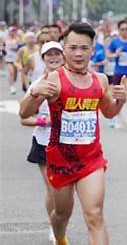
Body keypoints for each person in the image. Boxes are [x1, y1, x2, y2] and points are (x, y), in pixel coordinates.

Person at [18, 22, 127, 245]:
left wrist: (121, 102)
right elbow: (23, 112)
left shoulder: (100, 80)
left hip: (91, 159)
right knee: (61, 214)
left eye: (84, 48)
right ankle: (59, 237)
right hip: (59, 160)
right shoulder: (53, 79)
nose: (78, 53)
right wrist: (33, 93)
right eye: (73, 47)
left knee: (94, 215)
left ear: (93, 49)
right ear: (64, 48)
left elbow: (108, 112)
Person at [19, 41, 65, 243]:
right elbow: (23, 116)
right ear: (43, 58)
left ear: (64, 56)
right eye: (49, 55)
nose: (53, 58)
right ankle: (54, 228)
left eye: (57, 54)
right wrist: (43, 120)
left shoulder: (75, 80)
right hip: (44, 142)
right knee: (52, 188)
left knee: (65, 192)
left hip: (70, 143)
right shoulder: (38, 83)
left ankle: (61, 221)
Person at [107, 19, 127, 125]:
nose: (124, 31)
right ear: (119, 30)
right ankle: (117, 114)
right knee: (117, 95)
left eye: (126, 29)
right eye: (122, 29)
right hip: (118, 71)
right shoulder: (115, 42)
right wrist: (115, 54)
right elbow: (108, 54)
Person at [5, 26, 22, 94]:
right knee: (11, 72)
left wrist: (15, 48)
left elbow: (20, 47)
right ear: (9, 31)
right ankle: (12, 87)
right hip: (8, 58)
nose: (13, 32)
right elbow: (3, 47)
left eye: (14, 31)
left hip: (16, 59)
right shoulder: (6, 39)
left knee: (15, 75)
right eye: (12, 31)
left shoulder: (17, 38)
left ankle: (13, 82)